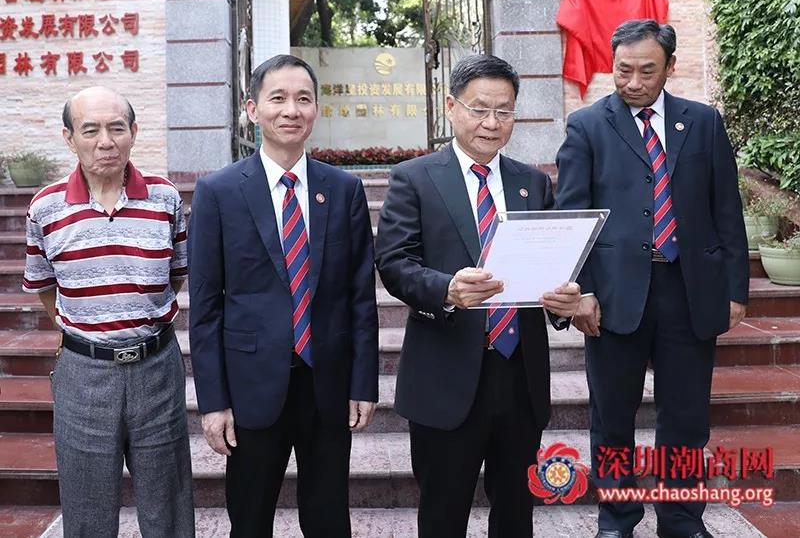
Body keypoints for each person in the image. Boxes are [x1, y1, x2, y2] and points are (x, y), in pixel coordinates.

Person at [555, 19, 749, 538]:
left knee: (685, 418)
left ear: (669, 67)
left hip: (690, 290)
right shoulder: (587, 126)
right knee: (612, 418)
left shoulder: (703, 122)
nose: (634, 82)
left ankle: (681, 519)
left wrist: (735, 288)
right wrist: (582, 291)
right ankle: (617, 518)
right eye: (623, 70)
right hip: (615, 295)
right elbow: (571, 214)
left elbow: (726, 210)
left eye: (647, 70)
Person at [375, 54, 581, 538]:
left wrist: (564, 301)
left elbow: (549, 265)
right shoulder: (415, 178)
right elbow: (395, 264)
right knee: (443, 515)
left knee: (516, 514)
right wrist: (446, 289)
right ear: (451, 107)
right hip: (446, 376)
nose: (491, 123)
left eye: (504, 111)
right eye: (479, 109)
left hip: (519, 377)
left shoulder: (532, 183)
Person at [188, 54, 379, 537]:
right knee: (250, 520)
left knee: (329, 520)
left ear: (316, 110)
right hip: (251, 388)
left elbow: (360, 296)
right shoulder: (218, 192)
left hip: (326, 384)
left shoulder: (344, 189)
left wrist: (363, 383)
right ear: (253, 109)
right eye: (278, 98)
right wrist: (213, 402)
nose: (291, 110)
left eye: (303, 99)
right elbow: (205, 308)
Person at [22, 86, 195, 536]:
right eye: (91, 130)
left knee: (169, 509)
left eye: (117, 128)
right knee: (87, 514)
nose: (106, 141)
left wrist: (137, 313)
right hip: (84, 373)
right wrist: (86, 330)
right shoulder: (45, 208)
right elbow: (44, 288)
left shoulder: (165, 198)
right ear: (69, 137)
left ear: (133, 132)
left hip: (157, 368)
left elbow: (176, 275)